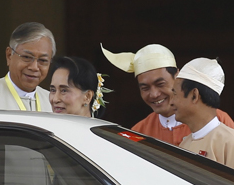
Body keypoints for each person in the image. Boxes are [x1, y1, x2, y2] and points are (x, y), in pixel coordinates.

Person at [100, 43, 234, 146]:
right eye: (145, 88)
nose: (154, 94)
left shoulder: (218, 121)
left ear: (177, 76)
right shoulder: (138, 132)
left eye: (160, 84)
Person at [171, 58, 234, 168]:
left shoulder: (230, 142)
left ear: (194, 95)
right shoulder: (184, 145)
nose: (171, 102)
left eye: (175, 94)